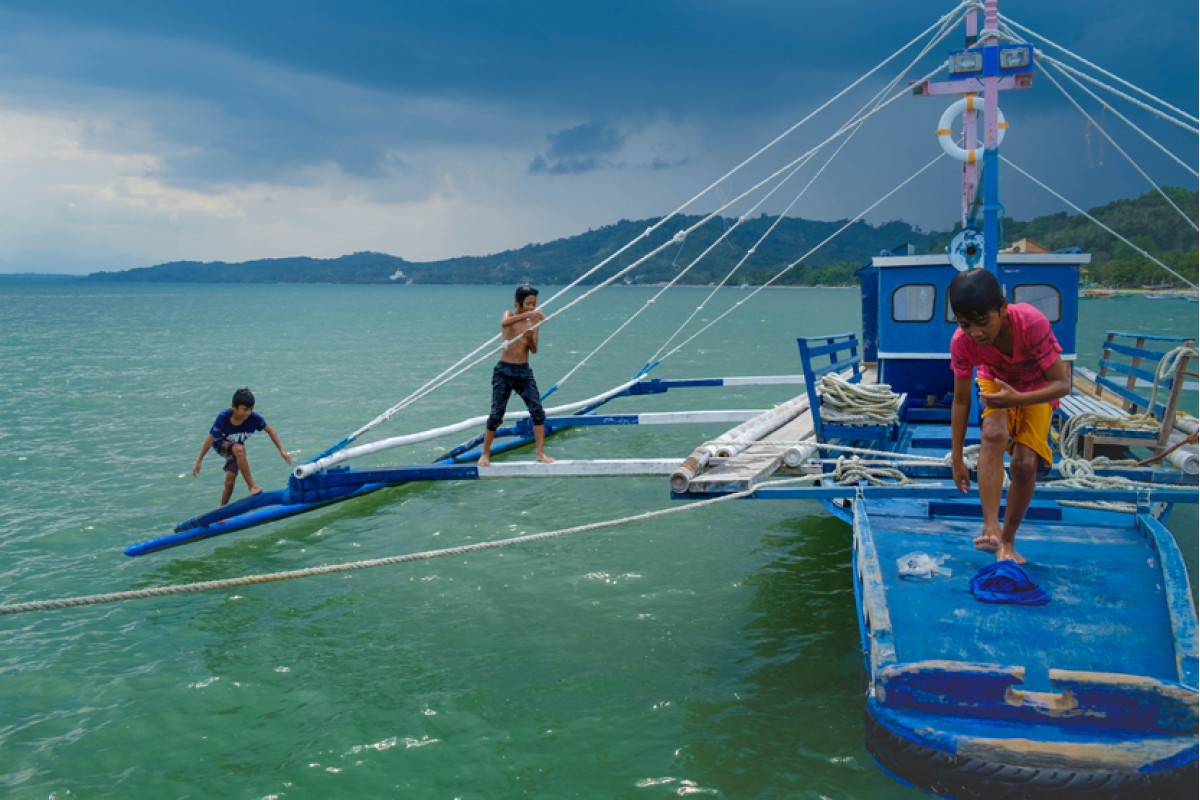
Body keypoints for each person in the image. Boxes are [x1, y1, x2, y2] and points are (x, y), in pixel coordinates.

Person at [948, 269, 1069, 564]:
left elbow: (1061, 384)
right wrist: (957, 458)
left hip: (1038, 386)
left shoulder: (1030, 323)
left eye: (982, 322)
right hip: (995, 380)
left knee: (1024, 464)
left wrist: (1018, 398)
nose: (976, 333)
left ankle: (1008, 541)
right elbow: (962, 400)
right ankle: (991, 526)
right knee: (993, 434)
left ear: (1002, 309)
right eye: (965, 324)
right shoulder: (962, 343)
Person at [479, 285, 555, 467]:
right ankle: (485, 453)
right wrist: (530, 316)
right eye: (528, 303)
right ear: (517, 302)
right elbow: (504, 324)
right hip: (504, 371)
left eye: (534, 304)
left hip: (523, 372)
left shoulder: (533, 323)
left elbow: (534, 350)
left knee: (537, 412)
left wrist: (529, 336)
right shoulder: (510, 316)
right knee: (497, 414)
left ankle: (540, 453)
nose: (531, 306)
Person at [192, 387, 292, 505]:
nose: (248, 413)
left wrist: (282, 451)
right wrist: (199, 461)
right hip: (220, 444)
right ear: (234, 407)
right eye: (245, 409)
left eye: (251, 409)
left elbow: (270, 431)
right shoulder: (224, 417)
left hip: (236, 450)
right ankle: (252, 486)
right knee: (240, 449)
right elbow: (210, 438)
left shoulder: (254, 418)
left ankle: (221, 512)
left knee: (230, 482)